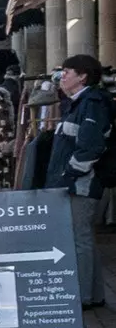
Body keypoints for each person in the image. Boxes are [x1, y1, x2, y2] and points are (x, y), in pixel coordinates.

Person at [44, 54, 112, 309]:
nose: (62, 76)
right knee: (84, 237)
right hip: (77, 181)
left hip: (81, 183)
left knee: (78, 238)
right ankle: (93, 294)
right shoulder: (77, 103)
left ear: (83, 76)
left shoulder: (91, 103)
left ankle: (82, 296)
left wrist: (69, 174)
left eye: (67, 72)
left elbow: (91, 145)